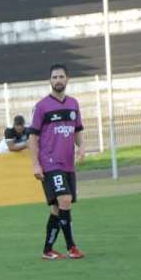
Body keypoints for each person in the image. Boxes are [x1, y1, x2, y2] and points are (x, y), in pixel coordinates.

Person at [28, 63, 85, 260]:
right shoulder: (42, 106)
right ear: (50, 81)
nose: (58, 80)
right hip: (50, 162)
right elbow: (32, 137)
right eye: (54, 77)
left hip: (68, 163)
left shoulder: (73, 104)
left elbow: (77, 130)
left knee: (57, 208)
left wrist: (81, 147)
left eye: (61, 77)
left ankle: (48, 250)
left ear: (67, 79)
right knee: (65, 199)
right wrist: (35, 164)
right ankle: (71, 247)